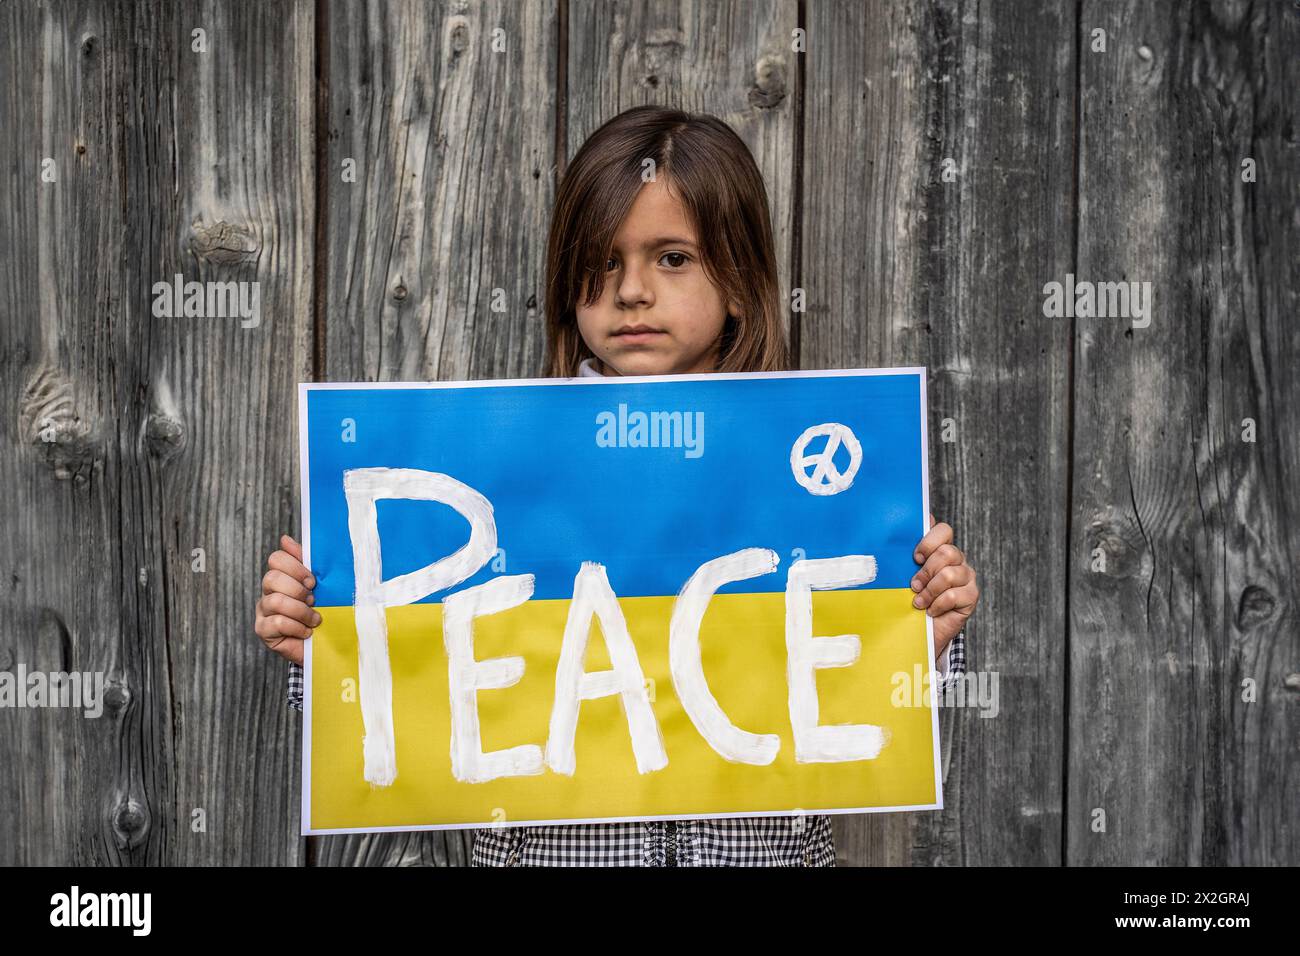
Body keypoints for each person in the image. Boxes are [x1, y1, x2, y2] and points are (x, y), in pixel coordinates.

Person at [254, 105, 979, 866]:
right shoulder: (501, 473)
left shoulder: (818, 484)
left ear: (739, 282)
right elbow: (424, 704)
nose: (631, 290)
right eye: (603, 261)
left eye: (672, 258)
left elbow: (858, 716)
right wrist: (325, 643)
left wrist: (917, 641)